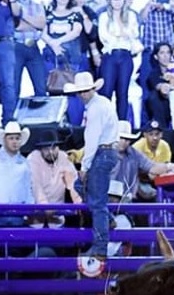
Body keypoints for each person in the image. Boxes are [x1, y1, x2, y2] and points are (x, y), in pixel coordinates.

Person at [63, 71, 119, 262]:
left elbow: (93, 138)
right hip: (108, 151)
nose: (83, 95)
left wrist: (85, 166)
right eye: (81, 91)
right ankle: (108, 220)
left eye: (85, 91)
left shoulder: (95, 109)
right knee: (84, 190)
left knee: (96, 204)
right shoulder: (103, 102)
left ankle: (100, 249)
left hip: (101, 153)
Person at [97, 0, 141, 121]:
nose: (117, 2)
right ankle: (105, 122)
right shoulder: (104, 16)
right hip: (110, 55)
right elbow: (103, 36)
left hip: (126, 56)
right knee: (106, 91)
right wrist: (121, 35)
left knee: (123, 93)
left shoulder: (131, 16)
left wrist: (120, 34)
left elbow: (134, 34)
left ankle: (122, 124)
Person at [28, 129, 83, 206]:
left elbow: (73, 181)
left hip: (59, 209)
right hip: (36, 210)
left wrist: (78, 201)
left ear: (58, 147)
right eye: (46, 149)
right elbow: (36, 186)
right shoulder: (34, 158)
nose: (50, 152)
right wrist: (45, 206)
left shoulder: (63, 157)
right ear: (41, 149)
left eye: (53, 148)